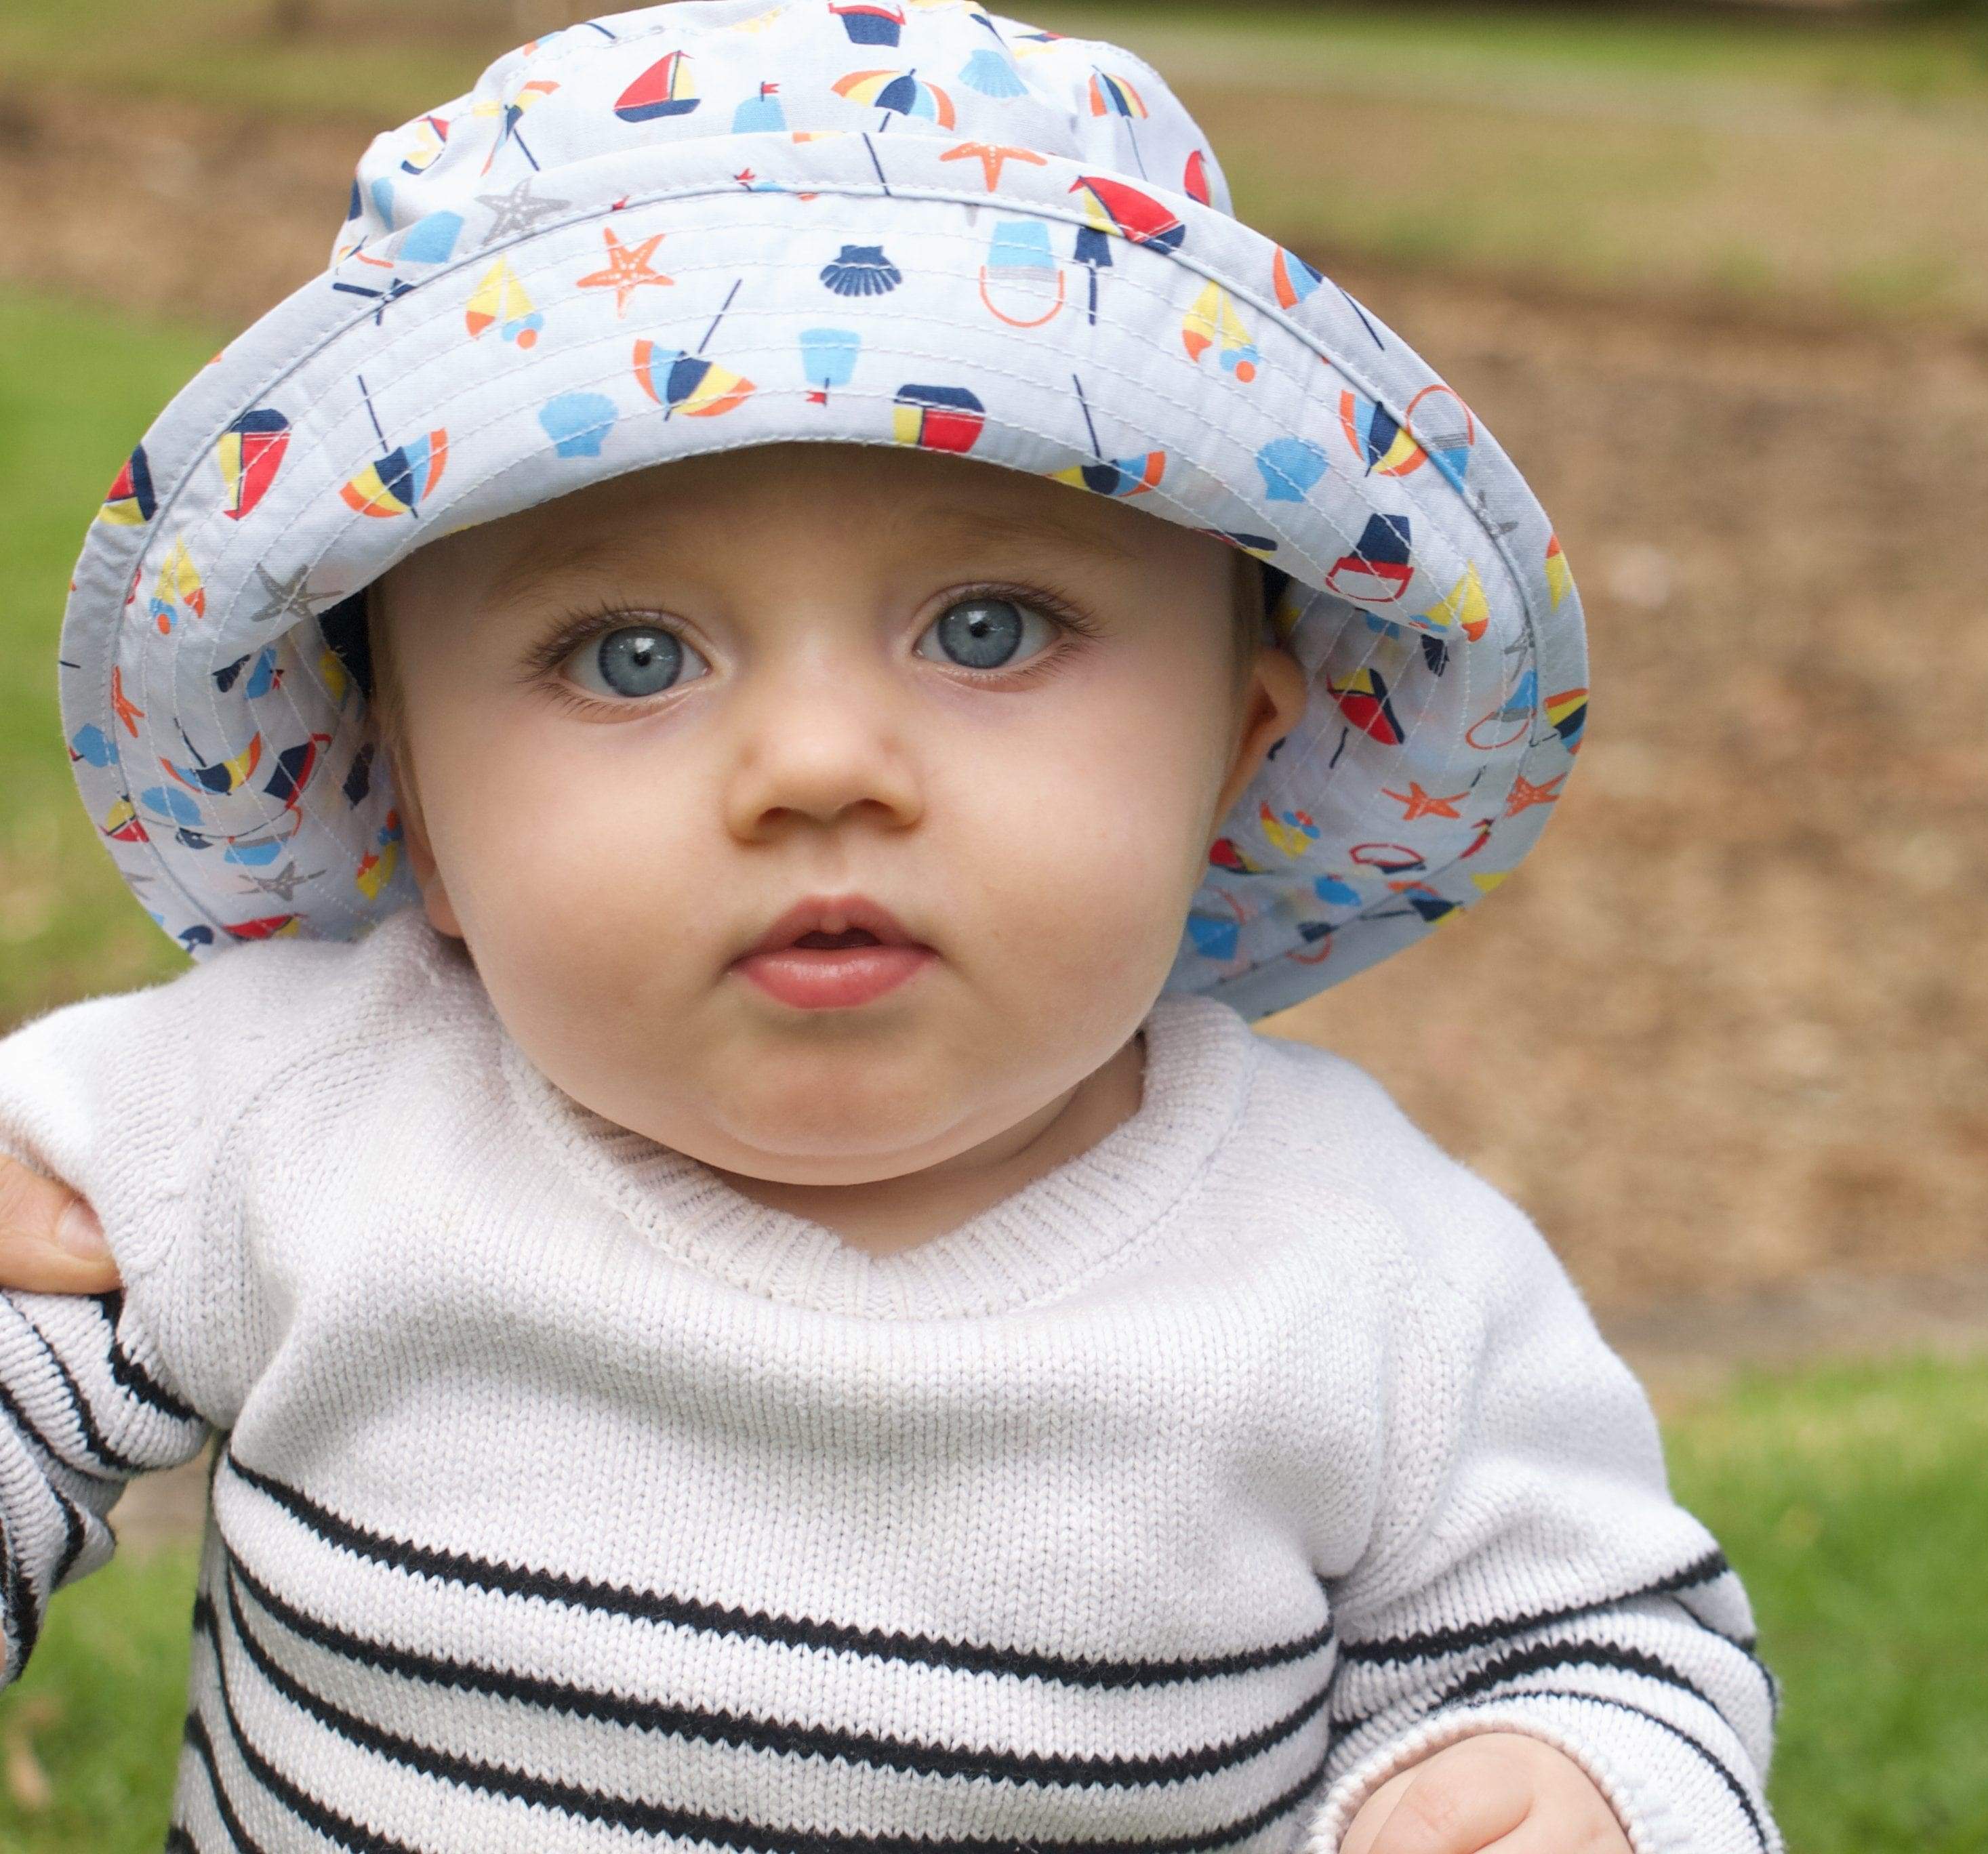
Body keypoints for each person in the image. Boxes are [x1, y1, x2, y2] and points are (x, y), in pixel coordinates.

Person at [0, 5, 1778, 1851]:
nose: (822, 766)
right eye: (631, 657)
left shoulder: (1374, 1284)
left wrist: (1569, 1780)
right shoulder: (279, 1120)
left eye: (991, 629)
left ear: (1236, 752)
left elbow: (1598, 1641)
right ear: (415, 803)